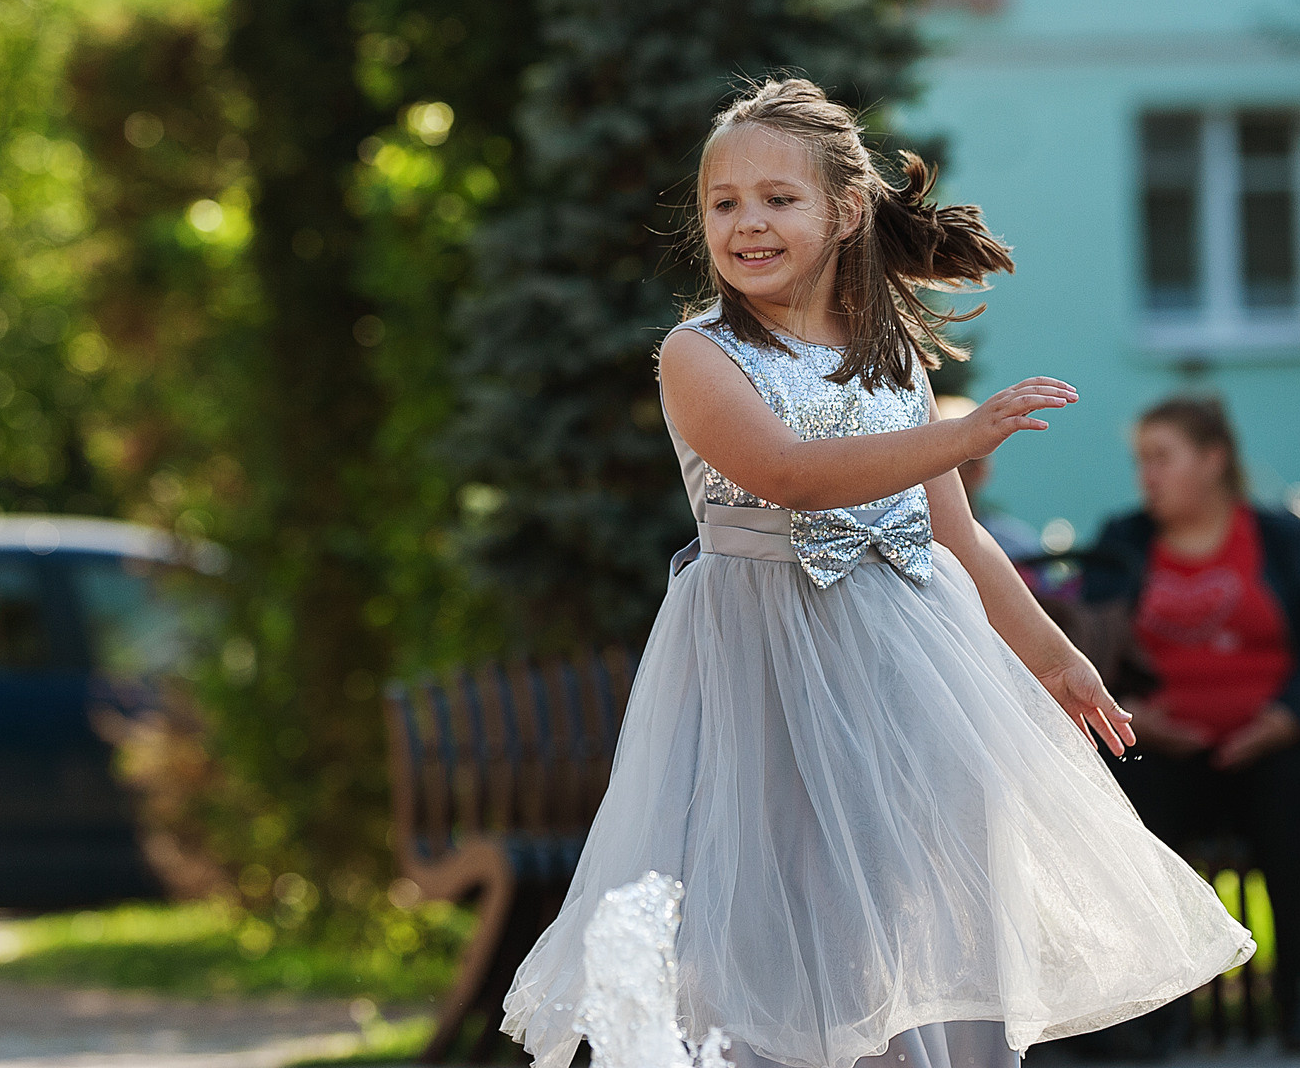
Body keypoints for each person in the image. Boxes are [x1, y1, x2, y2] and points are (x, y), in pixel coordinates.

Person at [503, 78, 1251, 1068]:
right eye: (723, 202)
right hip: (764, 665)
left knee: (926, 901)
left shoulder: (890, 358)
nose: (747, 222)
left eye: (778, 198)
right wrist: (959, 435)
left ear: (843, 211)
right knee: (786, 905)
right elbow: (788, 473)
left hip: (908, 666)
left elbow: (958, 542)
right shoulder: (699, 354)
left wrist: (1056, 659)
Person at [1080, 396, 1300, 1056]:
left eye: (1161, 458)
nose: (1146, 476)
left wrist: (1288, 720)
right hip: (1165, 749)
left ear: (1213, 461)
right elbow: (1086, 642)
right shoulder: (1124, 542)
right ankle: (1141, 1017)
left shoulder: (1279, 537)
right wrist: (1131, 713)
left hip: (1274, 748)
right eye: (1140, 461)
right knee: (1126, 800)